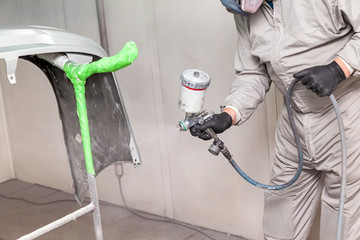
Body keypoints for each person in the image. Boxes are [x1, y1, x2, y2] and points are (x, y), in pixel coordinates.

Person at [190, 1, 360, 239]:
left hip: (347, 112)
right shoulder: (245, 11)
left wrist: (338, 69)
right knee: (281, 215)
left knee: (341, 217)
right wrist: (229, 114)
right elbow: (254, 72)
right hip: (294, 118)